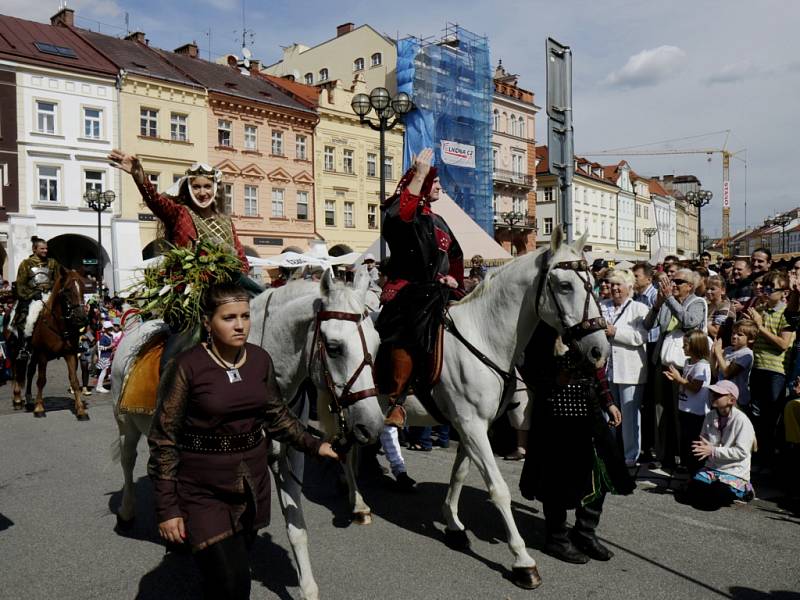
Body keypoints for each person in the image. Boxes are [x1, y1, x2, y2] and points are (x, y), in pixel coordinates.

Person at [147, 283, 339, 599]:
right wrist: (167, 508)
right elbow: (163, 440)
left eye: (245, 316)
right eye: (229, 318)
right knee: (234, 584)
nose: (240, 325)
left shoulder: (260, 360)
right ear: (208, 322)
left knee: (225, 578)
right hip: (201, 489)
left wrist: (315, 444)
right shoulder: (187, 366)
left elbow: (277, 415)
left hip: (251, 486)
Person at [519, 324, 632, 564]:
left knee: (600, 471)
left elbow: (598, 370)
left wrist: (608, 402)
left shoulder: (586, 326)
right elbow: (529, 371)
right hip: (554, 411)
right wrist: (559, 375)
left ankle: (584, 532)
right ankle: (557, 538)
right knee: (556, 477)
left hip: (589, 408)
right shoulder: (542, 331)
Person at [377, 148, 464, 428]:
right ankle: (398, 399)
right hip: (407, 291)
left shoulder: (439, 221)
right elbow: (401, 216)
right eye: (434, 182)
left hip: (438, 292)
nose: (439, 186)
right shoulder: (403, 211)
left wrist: (453, 281)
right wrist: (419, 175)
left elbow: (455, 256)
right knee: (410, 327)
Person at [108, 150, 259, 293]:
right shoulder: (180, 213)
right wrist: (139, 176)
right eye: (196, 187)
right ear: (188, 188)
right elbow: (155, 201)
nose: (202, 193)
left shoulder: (226, 221)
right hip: (191, 291)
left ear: (214, 188)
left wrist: (234, 280)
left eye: (207, 186)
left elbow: (241, 259)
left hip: (227, 290)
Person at [645, 268, 707, 467]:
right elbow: (648, 325)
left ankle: (683, 457)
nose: (673, 284)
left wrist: (670, 300)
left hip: (683, 366)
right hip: (662, 363)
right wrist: (657, 304)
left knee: (679, 412)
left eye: (678, 281)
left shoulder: (697, 302)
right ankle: (664, 455)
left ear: (690, 285)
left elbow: (689, 321)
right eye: (672, 280)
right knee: (660, 410)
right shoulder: (667, 302)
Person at [601, 269, 649, 466]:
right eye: (611, 285)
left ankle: (630, 456)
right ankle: (610, 450)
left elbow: (641, 337)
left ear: (629, 287)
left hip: (630, 370)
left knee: (629, 415)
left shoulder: (639, 308)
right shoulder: (602, 306)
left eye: (618, 284)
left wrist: (615, 332)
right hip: (607, 369)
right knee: (608, 412)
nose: (614, 288)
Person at [683, 380, 756, 509]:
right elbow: (704, 440)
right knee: (692, 492)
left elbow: (742, 452)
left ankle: (746, 489)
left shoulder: (742, 421)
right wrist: (701, 446)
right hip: (713, 467)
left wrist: (713, 450)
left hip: (734, 471)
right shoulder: (710, 416)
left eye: (718, 394)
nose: (713, 396)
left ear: (731, 400)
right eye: (713, 393)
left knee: (719, 494)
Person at [747, 269, 792, 463]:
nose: (765, 291)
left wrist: (760, 327)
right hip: (757, 366)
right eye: (764, 287)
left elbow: (783, 344)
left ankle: (769, 460)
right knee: (756, 414)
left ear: (784, 292)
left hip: (775, 372)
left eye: (770, 288)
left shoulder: (787, 314)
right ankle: (758, 457)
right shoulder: (761, 310)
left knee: (771, 417)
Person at [664, 330, 711, 474]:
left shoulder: (702, 366)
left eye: (686, 345)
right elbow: (685, 382)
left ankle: (696, 470)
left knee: (694, 440)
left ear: (696, 346)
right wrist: (677, 379)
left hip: (696, 412)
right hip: (684, 407)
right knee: (685, 439)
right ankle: (687, 465)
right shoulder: (688, 362)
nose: (683, 348)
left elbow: (695, 387)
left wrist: (679, 379)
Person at [12, 236, 61, 358]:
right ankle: (23, 346)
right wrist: (33, 294)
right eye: (42, 248)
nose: (45, 251)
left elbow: (58, 280)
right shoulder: (26, 264)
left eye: (46, 248)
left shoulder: (53, 263)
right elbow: (20, 284)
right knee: (25, 317)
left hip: (50, 295)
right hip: (32, 297)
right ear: (34, 249)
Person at [711, 319, 756, 410]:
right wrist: (713, 356)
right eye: (733, 333)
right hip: (722, 396)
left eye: (740, 334)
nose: (734, 336)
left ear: (750, 339)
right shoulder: (728, 350)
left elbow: (727, 373)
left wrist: (718, 353)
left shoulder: (747, 354)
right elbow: (716, 374)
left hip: (737, 400)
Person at [706, 275, 735, 346]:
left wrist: (701, 320)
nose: (708, 291)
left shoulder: (725, 306)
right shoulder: (708, 304)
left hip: (720, 347)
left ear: (723, 291)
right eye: (707, 288)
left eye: (712, 289)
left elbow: (716, 332)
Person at [94, 321, 114, 394]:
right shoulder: (103, 337)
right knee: (104, 372)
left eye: (111, 328)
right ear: (105, 329)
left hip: (110, 356)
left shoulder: (111, 335)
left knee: (106, 371)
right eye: (108, 328)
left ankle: (100, 386)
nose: (110, 329)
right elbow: (100, 348)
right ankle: (99, 387)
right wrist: (110, 347)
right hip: (105, 356)